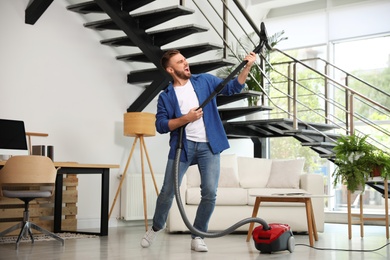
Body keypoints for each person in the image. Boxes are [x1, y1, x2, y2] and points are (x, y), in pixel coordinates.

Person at [141, 49, 257, 252]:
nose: (186, 63)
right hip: (182, 148)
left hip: (209, 146)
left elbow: (233, 87)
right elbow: (161, 125)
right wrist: (185, 119)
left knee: (210, 192)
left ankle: (198, 236)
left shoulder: (204, 81)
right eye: (180, 62)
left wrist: (247, 66)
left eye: (185, 59)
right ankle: (156, 227)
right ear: (170, 69)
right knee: (168, 192)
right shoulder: (166, 96)